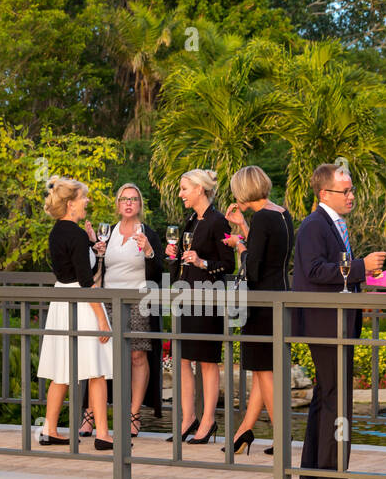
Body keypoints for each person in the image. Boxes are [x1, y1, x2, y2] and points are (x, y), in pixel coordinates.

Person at [292, 163, 386, 479]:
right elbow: (315, 270)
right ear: (323, 193)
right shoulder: (315, 225)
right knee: (336, 399)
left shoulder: (331, 224)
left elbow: (332, 270)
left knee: (325, 396)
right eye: (344, 190)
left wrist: (366, 273)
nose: (351, 196)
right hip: (326, 323)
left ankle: (312, 473)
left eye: (351, 190)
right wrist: (362, 266)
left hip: (333, 321)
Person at [37, 177, 114, 450]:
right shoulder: (77, 234)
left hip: (61, 301)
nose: (87, 202)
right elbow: (86, 281)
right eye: (84, 198)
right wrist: (102, 320)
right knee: (97, 371)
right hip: (83, 305)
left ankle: (49, 429)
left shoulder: (57, 232)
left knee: (62, 370)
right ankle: (103, 434)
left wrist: (93, 249)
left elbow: (72, 269)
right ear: (71, 204)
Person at [223, 165, 293, 455]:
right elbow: (270, 253)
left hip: (261, 303)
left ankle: (283, 437)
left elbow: (253, 267)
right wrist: (243, 228)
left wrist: (239, 247)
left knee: (265, 372)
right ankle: (244, 431)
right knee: (263, 371)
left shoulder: (263, 217)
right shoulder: (281, 214)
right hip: (280, 296)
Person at [164, 169, 235, 444]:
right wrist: (174, 257)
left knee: (207, 361)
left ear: (199, 189)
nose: (180, 194)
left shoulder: (219, 222)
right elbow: (183, 261)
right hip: (185, 297)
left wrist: (202, 262)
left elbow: (228, 265)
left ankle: (208, 421)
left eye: (184, 188)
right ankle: (187, 419)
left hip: (209, 299)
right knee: (182, 359)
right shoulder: (191, 220)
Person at [92, 183, 163, 438]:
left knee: (136, 356)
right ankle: (92, 413)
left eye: (133, 199)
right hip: (108, 301)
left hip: (138, 300)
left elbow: (159, 271)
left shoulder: (148, 233)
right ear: (118, 204)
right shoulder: (107, 233)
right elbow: (95, 271)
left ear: (140, 204)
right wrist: (96, 252)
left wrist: (148, 250)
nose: (129, 203)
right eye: (124, 199)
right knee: (100, 355)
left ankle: (134, 415)